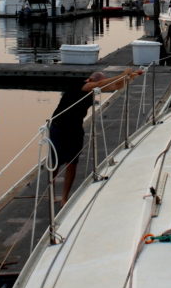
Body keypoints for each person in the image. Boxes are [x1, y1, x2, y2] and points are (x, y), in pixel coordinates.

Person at [49, 67, 143, 204]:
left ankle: (64, 198)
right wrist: (122, 74)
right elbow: (99, 84)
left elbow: (114, 86)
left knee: (72, 163)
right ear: (92, 79)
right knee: (55, 163)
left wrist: (129, 78)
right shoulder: (83, 85)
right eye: (101, 82)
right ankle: (51, 195)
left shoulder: (93, 89)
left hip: (74, 129)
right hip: (59, 127)